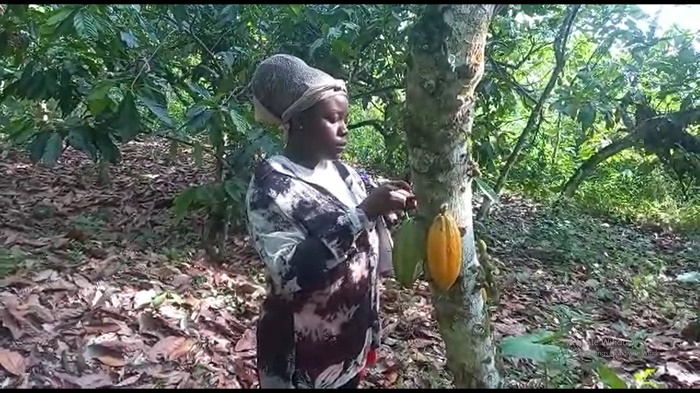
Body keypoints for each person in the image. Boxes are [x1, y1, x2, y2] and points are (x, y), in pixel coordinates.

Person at [245, 54, 417, 389]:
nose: (344, 129)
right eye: (332, 119)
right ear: (298, 123)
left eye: (345, 119)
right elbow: (291, 272)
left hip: (350, 341)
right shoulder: (272, 183)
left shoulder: (345, 173)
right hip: (303, 356)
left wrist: (389, 211)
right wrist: (365, 211)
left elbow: (359, 234)